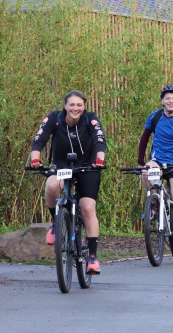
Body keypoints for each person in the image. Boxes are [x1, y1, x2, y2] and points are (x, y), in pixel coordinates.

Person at [30, 90, 106, 274]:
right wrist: (35, 159)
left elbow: (100, 140)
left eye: (79, 105)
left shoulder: (90, 119)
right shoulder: (54, 118)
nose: (75, 108)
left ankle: (92, 257)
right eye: (72, 104)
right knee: (51, 185)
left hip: (87, 167)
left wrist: (100, 160)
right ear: (65, 106)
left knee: (87, 208)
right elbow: (39, 140)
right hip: (62, 166)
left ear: (84, 106)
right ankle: (56, 223)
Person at [138, 85, 173, 252]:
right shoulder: (154, 117)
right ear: (162, 100)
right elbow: (144, 139)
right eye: (167, 98)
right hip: (158, 161)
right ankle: (153, 204)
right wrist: (141, 162)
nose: (170, 101)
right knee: (146, 171)